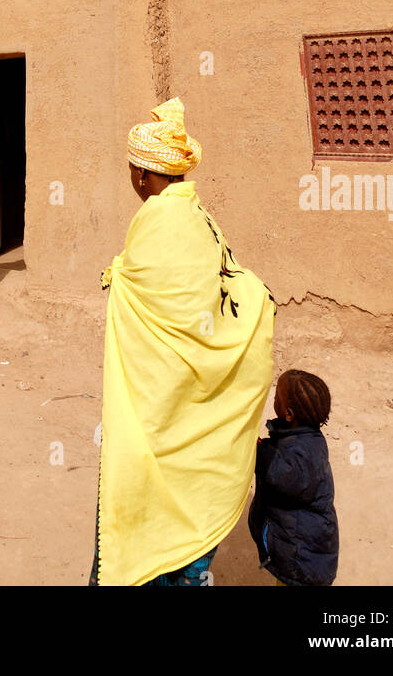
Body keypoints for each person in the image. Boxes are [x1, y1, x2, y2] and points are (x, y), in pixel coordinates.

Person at [91, 97, 274, 587]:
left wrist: (119, 279)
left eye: (134, 170)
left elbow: (152, 296)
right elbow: (225, 289)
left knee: (140, 500)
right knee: (189, 520)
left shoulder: (158, 219)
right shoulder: (197, 214)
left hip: (159, 410)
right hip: (191, 401)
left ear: (142, 175)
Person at [248, 369, 339, 587]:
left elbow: (284, 477)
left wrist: (255, 449)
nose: (274, 398)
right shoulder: (307, 437)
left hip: (302, 557)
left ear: (289, 414)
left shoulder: (301, 453)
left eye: (277, 396)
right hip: (303, 549)